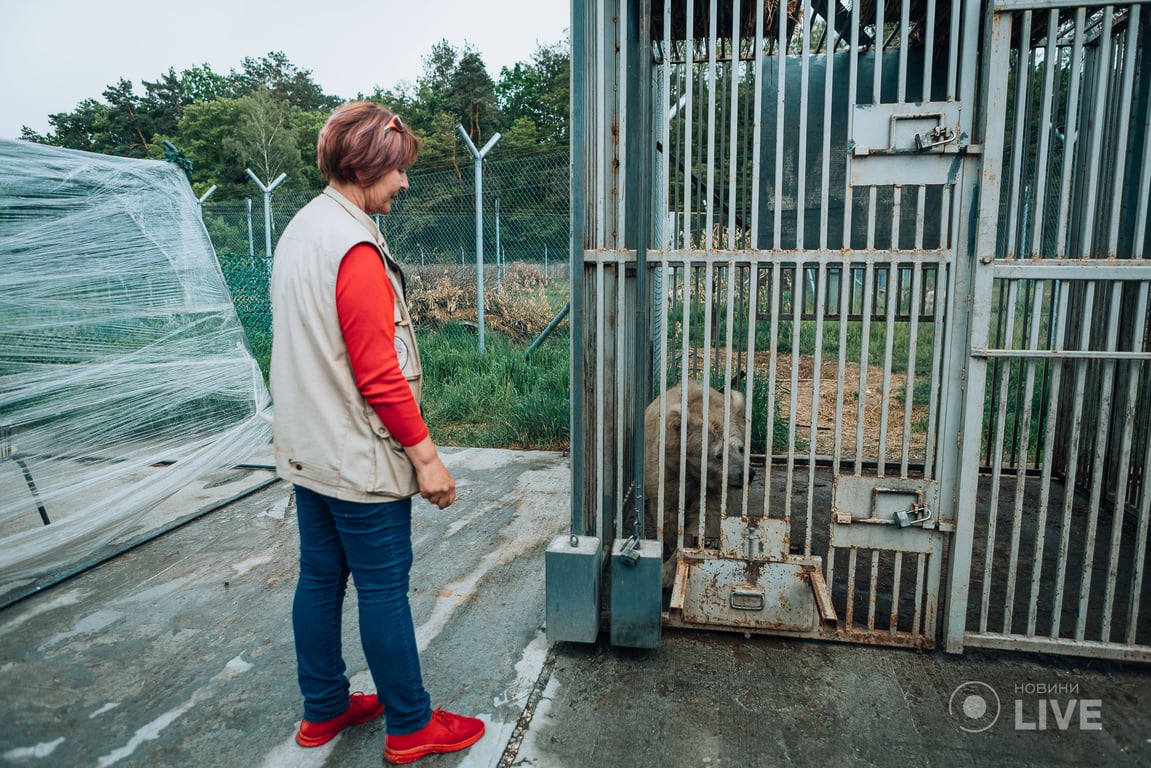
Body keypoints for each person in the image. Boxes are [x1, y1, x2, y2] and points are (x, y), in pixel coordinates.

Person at [269, 101, 485, 765]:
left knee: (319, 579)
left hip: (307, 448)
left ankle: (324, 708)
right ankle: (411, 725)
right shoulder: (354, 247)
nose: (405, 182)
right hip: (356, 456)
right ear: (365, 167)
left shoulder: (301, 229)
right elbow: (379, 375)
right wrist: (426, 459)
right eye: (397, 170)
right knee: (384, 589)